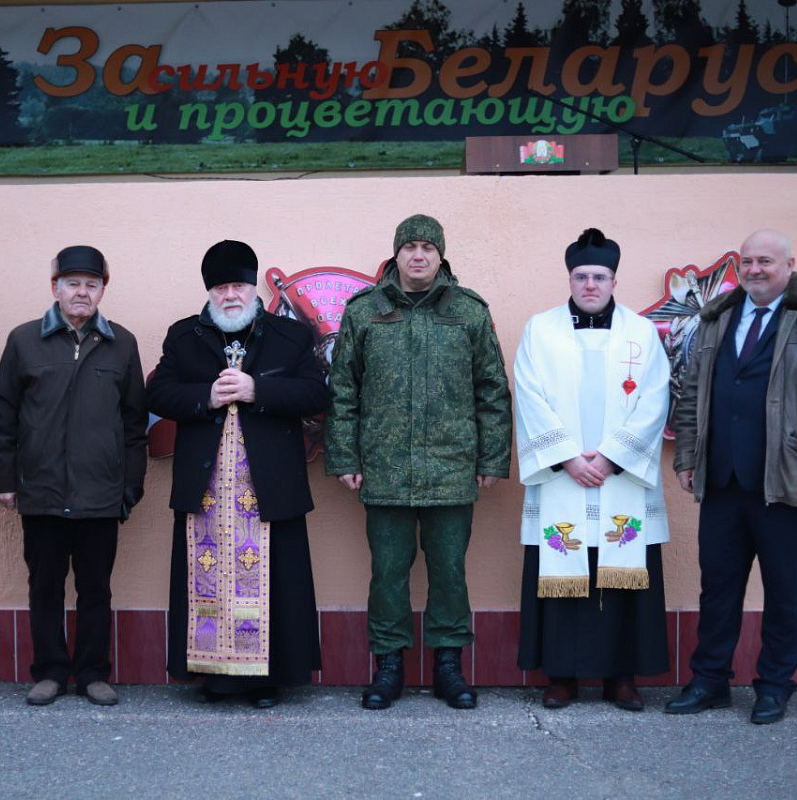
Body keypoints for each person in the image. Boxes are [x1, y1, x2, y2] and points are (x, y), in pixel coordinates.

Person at [666, 229, 797, 725]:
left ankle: (774, 685)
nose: (754, 269)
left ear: (789, 265)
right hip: (722, 480)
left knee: (785, 591)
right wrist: (686, 456)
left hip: (787, 480)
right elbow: (692, 391)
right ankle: (709, 680)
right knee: (718, 589)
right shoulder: (718, 316)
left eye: (766, 262)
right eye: (747, 261)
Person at [326, 214, 512, 710]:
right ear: (396, 254)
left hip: (452, 466)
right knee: (388, 572)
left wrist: (493, 457)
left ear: (440, 255)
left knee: (449, 570)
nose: (418, 255)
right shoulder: (365, 311)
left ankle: (448, 666)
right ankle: (389, 666)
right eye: (409, 246)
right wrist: (344, 454)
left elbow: (492, 390)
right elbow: (342, 390)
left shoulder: (468, 311)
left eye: (428, 247)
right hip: (384, 467)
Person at [147, 240, 327, 708]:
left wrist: (256, 389)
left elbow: (315, 393)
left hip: (270, 486)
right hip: (206, 490)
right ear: (209, 292)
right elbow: (158, 394)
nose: (231, 295)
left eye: (239, 287)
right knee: (207, 580)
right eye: (221, 288)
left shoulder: (291, 335)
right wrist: (206, 396)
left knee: (275, 583)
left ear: (253, 289)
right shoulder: (184, 336)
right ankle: (214, 676)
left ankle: (268, 679)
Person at [513, 228, 672, 712]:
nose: (589, 285)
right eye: (581, 276)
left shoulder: (640, 333)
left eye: (599, 277)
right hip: (562, 476)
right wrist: (566, 457)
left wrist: (610, 458)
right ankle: (561, 676)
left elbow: (655, 399)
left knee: (622, 574)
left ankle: (621, 678)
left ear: (614, 281)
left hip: (620, 477)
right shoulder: (541, 330)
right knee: (563, 570)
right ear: (569, 279)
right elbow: (528, 395)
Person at [0, 245, 148, 707]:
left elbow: (135, 422)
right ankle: (50, 673)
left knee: (96, 589)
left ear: (103, 290)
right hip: (41, 490)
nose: (82, 292)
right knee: (45, 587)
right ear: (55, 287)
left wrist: (131, 483)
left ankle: (94, 674)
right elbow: (3, 415)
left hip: (101, 493)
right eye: (73, 283)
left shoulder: (123, 344)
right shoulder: (24, 341)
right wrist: (5, 479)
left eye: (91, 284)